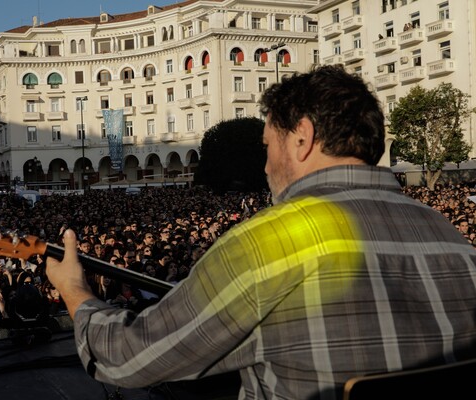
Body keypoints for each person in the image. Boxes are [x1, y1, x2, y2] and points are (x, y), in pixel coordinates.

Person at [46, 65, 476, 399]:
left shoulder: (268, 242)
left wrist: (75, 292)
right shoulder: (454, 240)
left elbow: (126, 358)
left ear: (302, 138)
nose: (266, 165)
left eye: (268, 145)